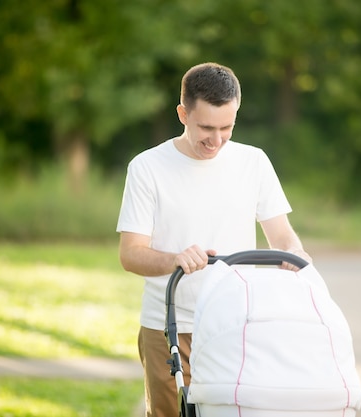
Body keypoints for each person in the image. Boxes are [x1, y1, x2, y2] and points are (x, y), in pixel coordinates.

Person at [116, 62, 311, 417]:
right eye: (206, 127)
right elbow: (130, 254)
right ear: (182, 113)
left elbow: (282, 236)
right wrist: (174, 259)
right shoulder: (147, 168)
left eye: (227, 127)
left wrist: (294, 253)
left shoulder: (254, 162)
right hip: (168, 330)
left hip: (236, 323)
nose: (217, 140)